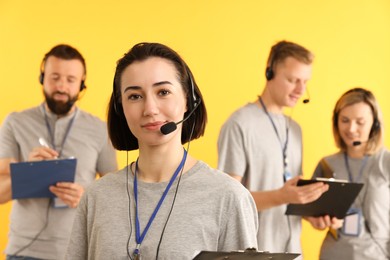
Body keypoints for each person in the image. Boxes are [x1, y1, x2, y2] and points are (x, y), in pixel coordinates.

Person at [65, 42, 258, 260]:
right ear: (121, 108)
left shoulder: (229, 197)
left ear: (188, 99)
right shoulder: (97, 197)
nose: (150, 109)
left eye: (163, 92)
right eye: (135, 96)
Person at [0, 44, 118, 259]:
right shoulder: (15, 122)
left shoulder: (101, 129)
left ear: (82, 85)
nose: (61, 87)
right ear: (42, 78)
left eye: (70, 80)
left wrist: (86, 196)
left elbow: (114, 194)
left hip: (78, 252)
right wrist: (28, 170)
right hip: (22, 252)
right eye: (54, 77)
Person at [217, 40, 329, 254]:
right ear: (269, 72)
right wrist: (283, 196)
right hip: (254, 254)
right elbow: (228, 203)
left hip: (293, 253)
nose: (300, 90)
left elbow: (291, 197)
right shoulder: (239, 124)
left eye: (305, 82)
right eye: (292, 80)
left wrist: (311, 212)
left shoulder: (295, 129)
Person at [307, 88, 390, 259]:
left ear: (374, 124)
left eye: (360, 122)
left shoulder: (386, 162)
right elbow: (308, 210)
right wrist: (317, 220)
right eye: (345, 120)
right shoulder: (327, 164)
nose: (351, 129)